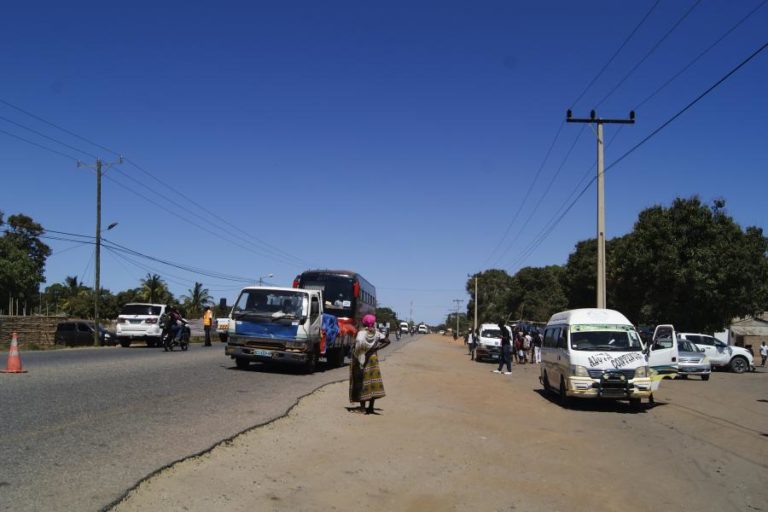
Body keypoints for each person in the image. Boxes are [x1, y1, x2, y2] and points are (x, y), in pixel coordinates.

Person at [349, 314, 390, 414]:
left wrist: (357, 353)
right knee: (372, 383)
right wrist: (377, 348)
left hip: (362, 359)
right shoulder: (376, 333)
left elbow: (358, 345)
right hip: (373, 359)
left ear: (364, 322)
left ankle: (362, 408)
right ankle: (371, 408)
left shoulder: (361, 333)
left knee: (361, 382)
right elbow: (387, 341)